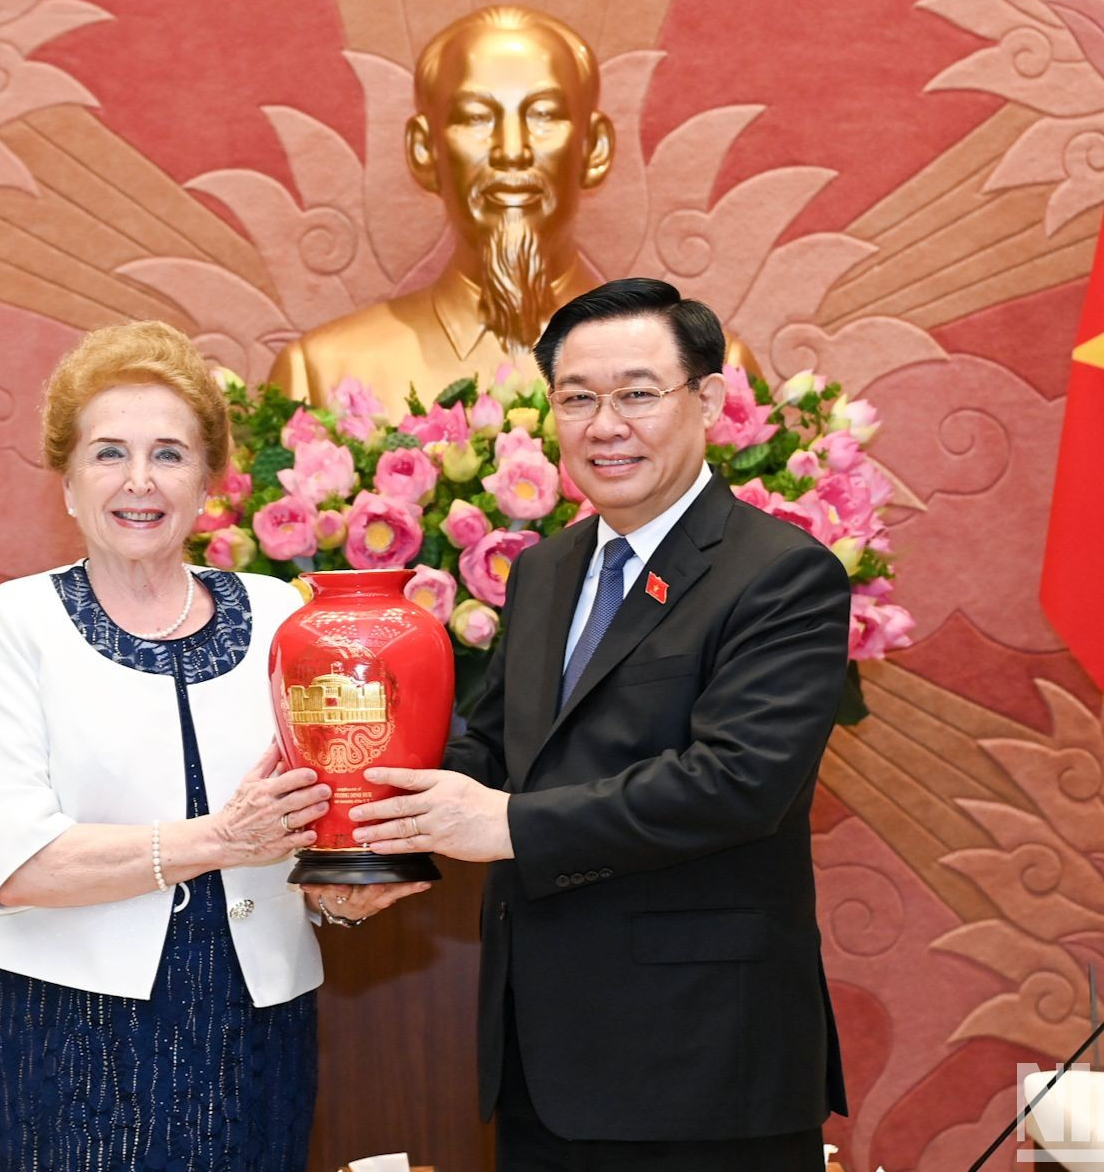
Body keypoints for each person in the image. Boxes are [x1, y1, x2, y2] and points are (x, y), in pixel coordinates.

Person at [351, 278, 851, 1170]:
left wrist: (503, 825)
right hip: (541, 1058)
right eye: (576, 398)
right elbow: (495, 749)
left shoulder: (778, 574)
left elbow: (738, 784)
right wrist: (359, 808)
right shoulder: (547, 569)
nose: (603, 424)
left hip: (703, 1066)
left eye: (635, 394)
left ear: (705, 400)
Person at [0, 320, 426, 1171]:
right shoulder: (19, 622)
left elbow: (309, 819)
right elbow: (18, 864)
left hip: (254, 1018)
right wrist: (216, 841)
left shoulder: (281, 614)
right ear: (67, 483)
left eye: (168, 453)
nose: (138, 481)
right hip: (67, 1024)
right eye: (107, 453)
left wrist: (336, 893)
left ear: (207, 483)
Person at [269, 6, 758, 409]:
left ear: (595, 149)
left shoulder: (708, 369)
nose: (511, 151)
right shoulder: (320, 375)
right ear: (424, 151)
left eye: (544, 115)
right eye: (476, 118)